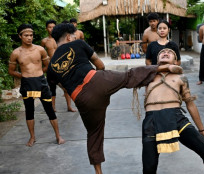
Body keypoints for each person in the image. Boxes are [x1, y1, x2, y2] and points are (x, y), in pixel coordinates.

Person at [46, 23, 183, 174]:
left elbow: (64, 88)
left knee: (94, 133)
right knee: (128, 76)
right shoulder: (78, 44)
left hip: (81, 99)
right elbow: (100, 65)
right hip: (97, 80)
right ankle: (163, 68)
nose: (74, 37)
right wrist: (103, 82)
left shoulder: (51, 68)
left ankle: (98, 171)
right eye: (73, 36)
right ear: (68, 37)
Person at [142, 48, 204, 174]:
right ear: (156, 60)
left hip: (177, 118)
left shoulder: (180, 77)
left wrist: (202, 130)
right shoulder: (148, 76)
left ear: (176, 61)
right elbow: (131, 75)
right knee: (149, 168)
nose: (165, 53)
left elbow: (190, 103)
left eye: (170, 53)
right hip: (151, 121)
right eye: (162, 53)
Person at [8, 24, 65, 147]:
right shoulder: (16, 53)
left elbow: (47, 65)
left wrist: (38, 74)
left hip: (41, 82)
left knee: (49, 110)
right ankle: (32, 137)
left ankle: (58, 136)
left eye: (31, 35)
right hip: (27, 83)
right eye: (26, 35)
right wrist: (24, 76)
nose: (29, 38)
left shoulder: (40, 49)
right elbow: (11, 71)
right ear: (20, 36)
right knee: (29, 111)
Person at [41, 19, 76, 112]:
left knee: (66, 87)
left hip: (61, 67)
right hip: (50, 67)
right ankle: (53, 107)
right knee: (52, 89)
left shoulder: (60, 38)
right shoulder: (44, 41)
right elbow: (41, 53)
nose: (51, 29)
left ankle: (69, 106)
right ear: (46, 29)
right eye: (49, 27)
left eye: (53, 27)